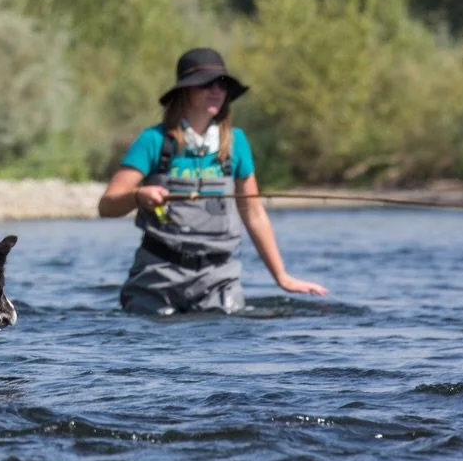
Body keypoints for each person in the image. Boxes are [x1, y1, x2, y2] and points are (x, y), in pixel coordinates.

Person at [98, 47, 326, 314]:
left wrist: (281, 276)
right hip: (157, 277)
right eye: (205, 84)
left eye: (221, 84)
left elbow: (253, 214)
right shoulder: (154, 141)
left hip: (219, 279)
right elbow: (107, 206)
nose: (216, 90)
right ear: (185, 92)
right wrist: (137, 197)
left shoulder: (236, 143)